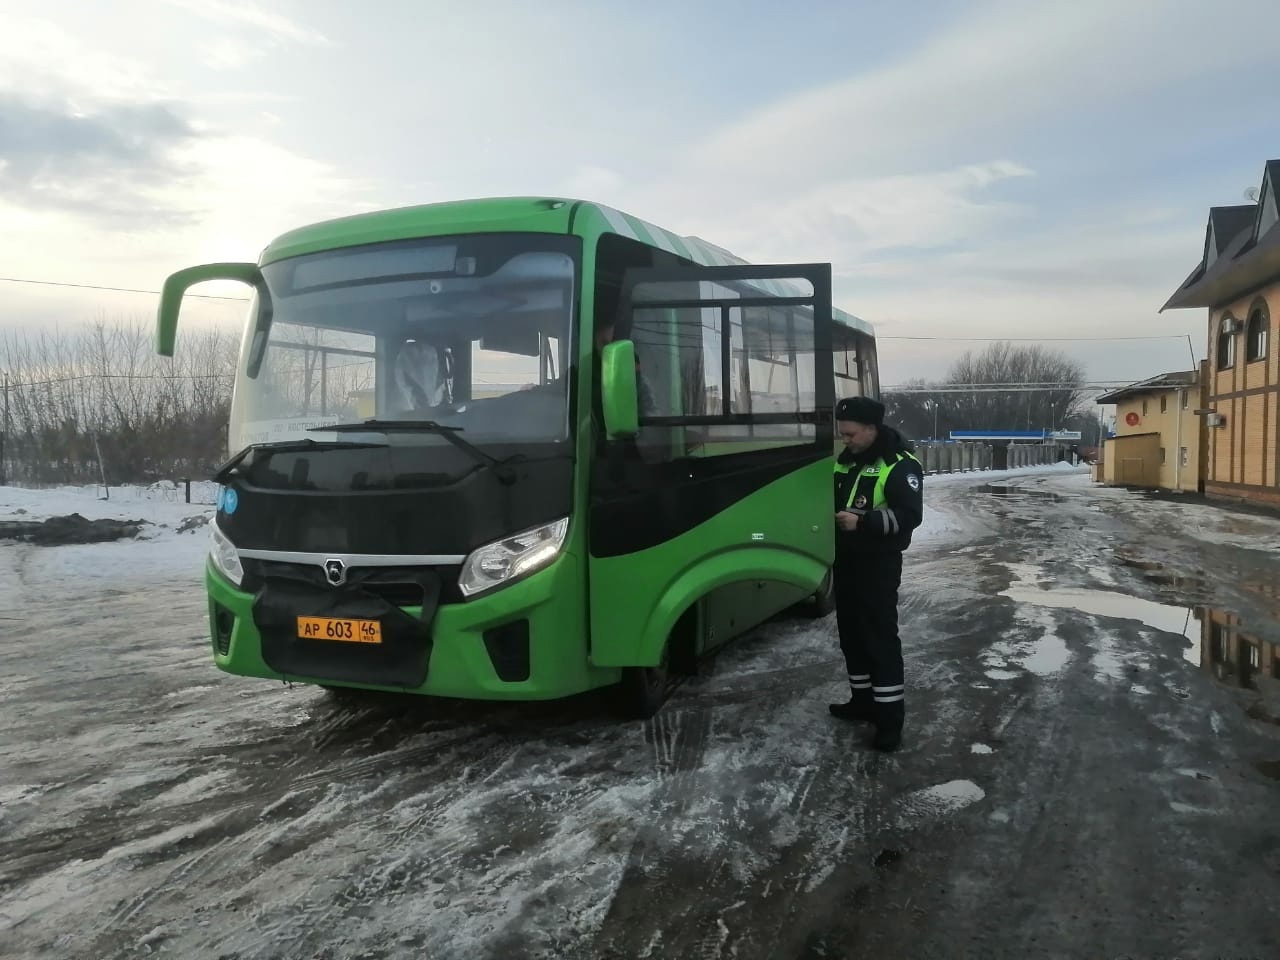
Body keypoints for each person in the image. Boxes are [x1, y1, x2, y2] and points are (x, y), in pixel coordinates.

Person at [828, 395, 924, 752]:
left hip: (878, 565)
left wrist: (863, 521)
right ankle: (862, 701)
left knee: (879, 640)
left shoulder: (900, 465)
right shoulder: (844, 462)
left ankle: (889, 721)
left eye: (851, 434)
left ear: (871, 429)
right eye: (843, 434)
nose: (846, 440)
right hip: (846, 563)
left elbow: (909, 515)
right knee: (851, 636)